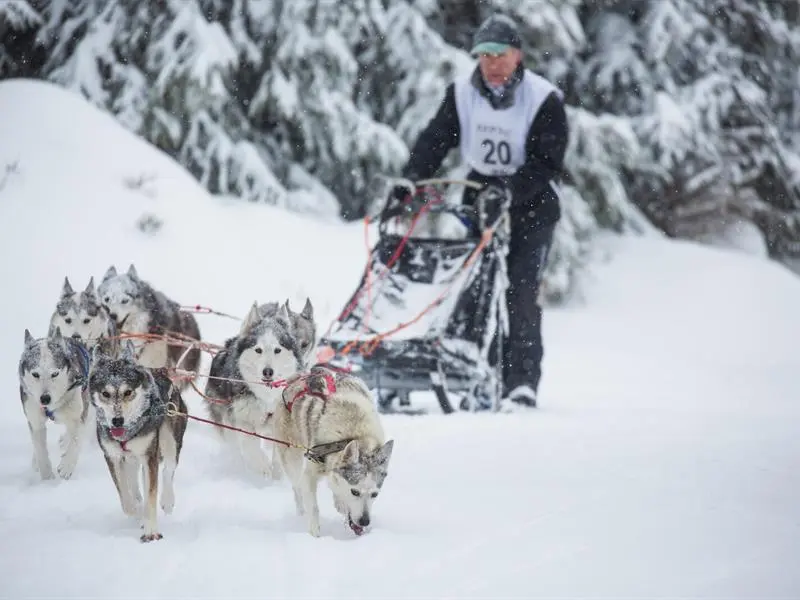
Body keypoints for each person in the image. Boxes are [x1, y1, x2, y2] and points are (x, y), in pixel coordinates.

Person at [392, 14, 569, 410]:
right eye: (483, 55)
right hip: (481, 196)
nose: (491, 63)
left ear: (517, 55)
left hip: (533, 204)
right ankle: (474, 371)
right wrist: (412, 180)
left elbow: (547, 162)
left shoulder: (543, 98)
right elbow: (436, 140)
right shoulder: (461, 93)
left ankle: (519, 384)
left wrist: (510, 190)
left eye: (499, 55)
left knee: (519, 291)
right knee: (477, 287)